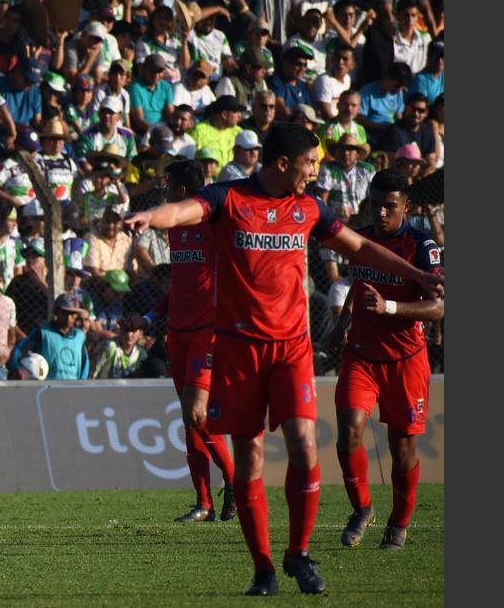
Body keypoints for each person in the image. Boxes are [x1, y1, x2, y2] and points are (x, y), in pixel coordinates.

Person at [125, 123, 443, 596]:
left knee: (304, 444)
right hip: (237, 349)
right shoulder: (228, 199)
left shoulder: (309, 208)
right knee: (250, 458)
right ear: (282, 164)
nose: (316, 170)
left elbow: (359, 247)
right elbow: (183, 209)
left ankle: (299, 552)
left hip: (292, 349)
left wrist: (415, 272)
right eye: (310, 162)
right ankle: (264, 569)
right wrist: (153, 216)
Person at [330, 169, 444, 550]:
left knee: (402, 447)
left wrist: (389, 307)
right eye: (375, 204)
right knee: (348, 429)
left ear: (406, 207)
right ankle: (362, 508)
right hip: (361, 356)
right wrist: (346, 318)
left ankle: (398, 523)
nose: (380, 213)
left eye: (389, 206)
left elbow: (438, 307)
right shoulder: (359, 238)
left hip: (406, 360)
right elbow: (358, 285)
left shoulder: (422, 245)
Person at [120, 158, 236, 523]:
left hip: (208, 335)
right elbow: (181, 287)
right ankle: (203, 502)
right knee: (191, 422)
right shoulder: (177, 231)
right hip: (178, 333)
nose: (164, 192)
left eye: (168, 186)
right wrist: (150, 317)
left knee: (196, 413)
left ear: (182, 191)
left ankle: (235, 481)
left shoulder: (215, 225)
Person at [10, 293, 90, 381]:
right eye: (64, 313)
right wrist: (15, 368)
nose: (68, 317)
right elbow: (21, 348)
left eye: (72, 314)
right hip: (46, 387)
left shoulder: (79, 337)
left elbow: (85, 362)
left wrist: (82, 382)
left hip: (72, 385)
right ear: (56, 312)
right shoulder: (43, 332)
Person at [317, 134, 375, 221]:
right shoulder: (327, 168)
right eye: (342, 149)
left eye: (350, 149)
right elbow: (322, 200)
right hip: (335, 221)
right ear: (336, 152)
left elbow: (375, 195)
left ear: (357, 154)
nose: (346, 153)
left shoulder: (367, 170)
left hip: (361, 221)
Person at [189, 95, 245, 174]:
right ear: (224, 115)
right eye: (236, 112)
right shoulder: (199, 131)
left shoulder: (238, 131)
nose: (239, 116)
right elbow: (191, 161)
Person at [213, 48, 270, 116]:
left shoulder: (262, 84)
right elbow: (226, 115)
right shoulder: (228, 82)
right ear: (248, 68)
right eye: (260, 68)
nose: (264, 71)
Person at [129, 54, 175, 136]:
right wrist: (157, 133)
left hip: (163, 129)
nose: (156, 75)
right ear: (144, 70)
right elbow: (139, 120)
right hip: (144, 132)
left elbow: (170, 115)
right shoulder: (135, 87)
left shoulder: (166, 86)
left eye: (159, 71)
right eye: (152, 71)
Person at [266, 46, 315, 121]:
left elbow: (310, 113)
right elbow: (284, 112)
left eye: (305, 65)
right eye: (298, 64)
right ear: (285, 63)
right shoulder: (276, 82)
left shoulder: (303, 86)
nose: (302, 69)